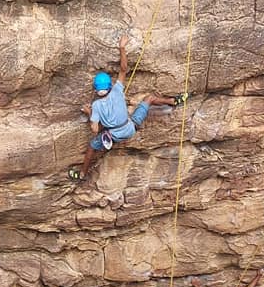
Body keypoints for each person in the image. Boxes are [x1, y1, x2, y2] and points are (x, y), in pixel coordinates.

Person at [68, 35, 188, 181]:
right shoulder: (117, 91)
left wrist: (90, 113)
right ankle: (172, 101)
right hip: (130, 126)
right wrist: (122, 47)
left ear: (95, 89)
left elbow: (94, 129)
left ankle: (81, 174)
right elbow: (124, 69)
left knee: (92, 147)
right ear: (109, 85)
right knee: (149, 99)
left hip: (114, 136)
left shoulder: (96, 105)